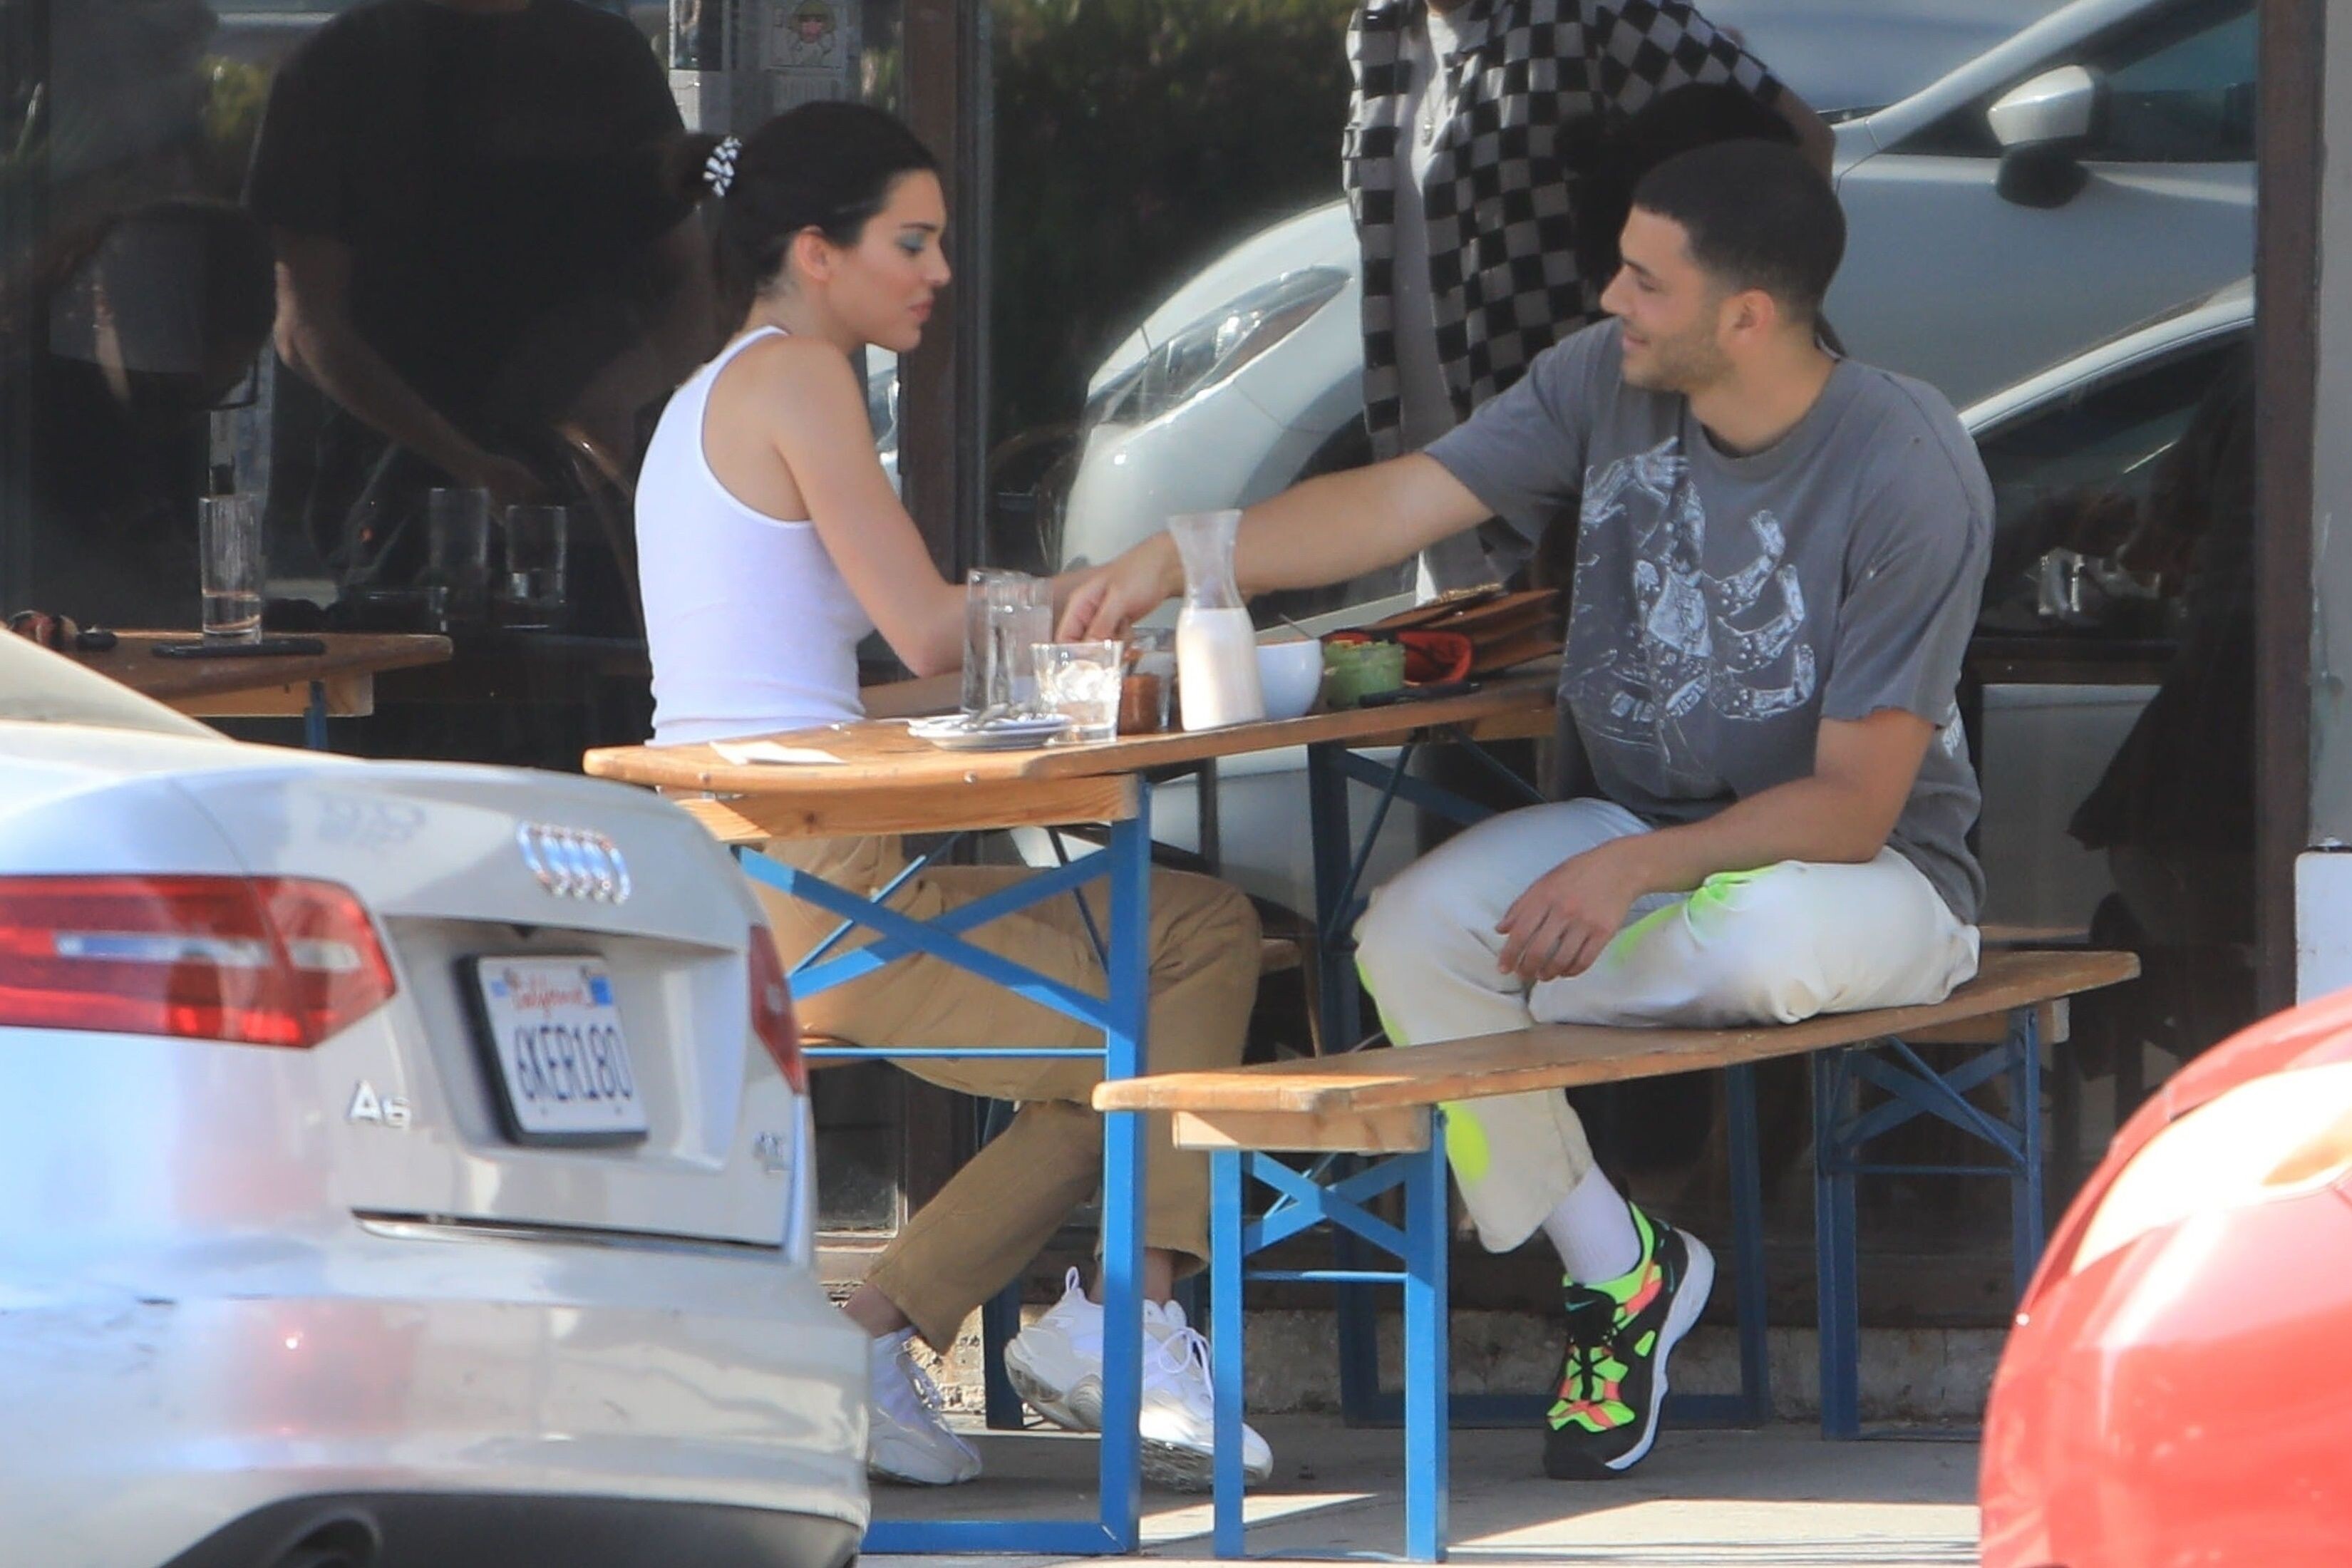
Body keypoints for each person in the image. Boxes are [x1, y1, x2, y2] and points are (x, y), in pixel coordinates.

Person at [1069, 139, 1991, 1480]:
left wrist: (1633, 875)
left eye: (1646, 281)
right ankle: (1619, 1269)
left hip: (1873, 876)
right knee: (1408, 936)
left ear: (1749, 316)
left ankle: (1507, 1026)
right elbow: (1400, 500)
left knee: (1753, 942)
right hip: (1645, 830)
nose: (1612, 300)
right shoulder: (1601, 378)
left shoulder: (1906, 462)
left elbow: (1854, 809)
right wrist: (1185, 554)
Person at [636, 102, 1271, 1493]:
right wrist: (1134, 581)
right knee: (1143, 1051)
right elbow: (929, 630)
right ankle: (1117, 1316)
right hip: (813, 889)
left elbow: (813, 693)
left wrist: (1076, 650)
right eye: (911, 242)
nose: (939, 272)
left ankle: (894, 1335)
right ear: (818, 251)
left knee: (1201, 930)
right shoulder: (799, 375)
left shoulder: (711, 393)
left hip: (772, 868)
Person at [1343, 0, 1831, 597]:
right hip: (1448, 506)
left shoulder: (1592, 11)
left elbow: (1798, 145)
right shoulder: (1379, 29)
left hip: (1594, 494)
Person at [244, 0, 713, 602]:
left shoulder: (608, 56)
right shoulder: (339, 65)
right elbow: (306, 329)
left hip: (597, 493)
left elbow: (699, 283)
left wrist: (618, 395)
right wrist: (466, 462)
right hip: (406, 501)